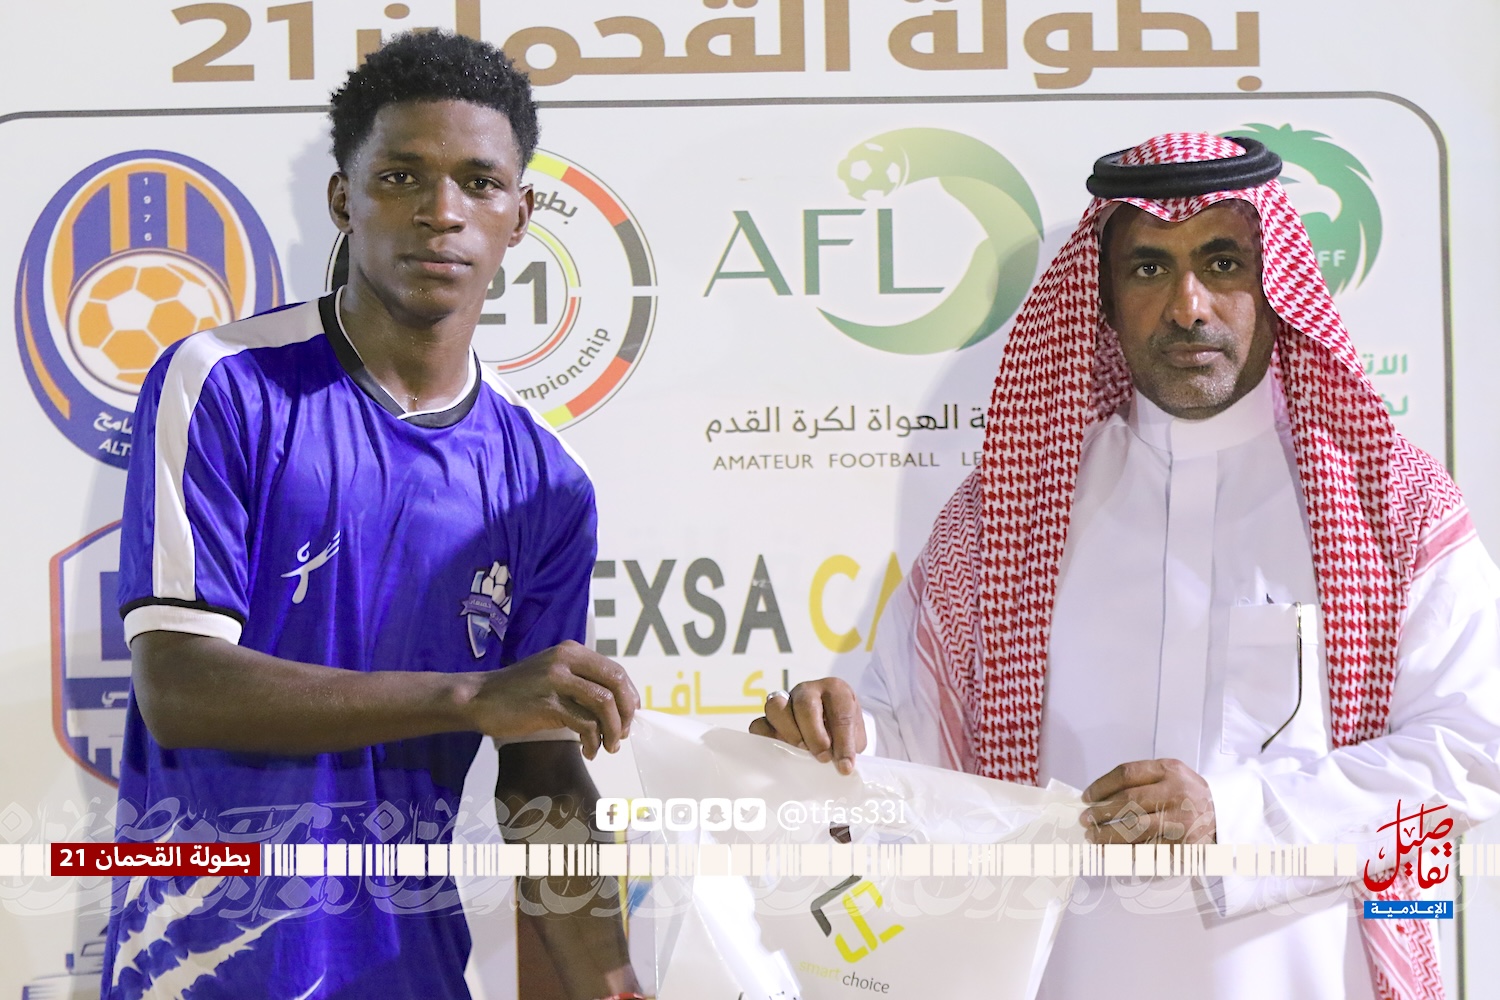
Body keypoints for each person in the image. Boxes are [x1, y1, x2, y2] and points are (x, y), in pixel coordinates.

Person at [751, 133, 1500, 997]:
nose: (1188, 305)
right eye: (1149, 269)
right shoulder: (1009, 511)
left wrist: (1233, 818)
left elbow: (1474, 754)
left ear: (1276, 284)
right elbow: (918, 746)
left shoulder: (1389, 504)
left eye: (1223, 263)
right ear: (1103, 301)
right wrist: (837, 742)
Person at [103, 31, 644, 1000]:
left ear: (520, 215)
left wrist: (616, 986)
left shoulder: (547, 480)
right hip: (206, 973)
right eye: (402, 177)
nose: (442, 212)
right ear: (343, 199)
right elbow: (179, 686)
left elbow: (542, 775)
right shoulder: (225, 382)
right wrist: (469, 696)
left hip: (413, 974)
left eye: (479, 182)